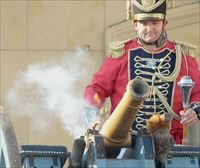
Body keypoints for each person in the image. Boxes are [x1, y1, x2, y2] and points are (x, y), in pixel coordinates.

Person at [84, 0, 200, 145]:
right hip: (125, 144)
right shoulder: (121, 54)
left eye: (155, 22)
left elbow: (198, 92)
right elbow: (96, 90)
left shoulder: (183, 56)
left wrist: (196, 110)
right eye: (144, 23)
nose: (150, 28)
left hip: (172, 146)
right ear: (135, 25)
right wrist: (93, 119)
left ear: (164, 23)